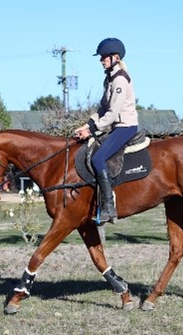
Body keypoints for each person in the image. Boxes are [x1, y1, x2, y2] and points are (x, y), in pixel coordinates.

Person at [74, 37, 138, 224]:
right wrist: (87, 125)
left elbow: (113, 113)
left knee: (98, 158)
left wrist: (92, 130)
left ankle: (109, 207)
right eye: (101, 57)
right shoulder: (109, 79)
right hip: (116, 125)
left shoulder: (120, 80)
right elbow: (103, 109)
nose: (101, 60)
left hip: (126, 127)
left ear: (115, 58)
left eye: (104, 57)